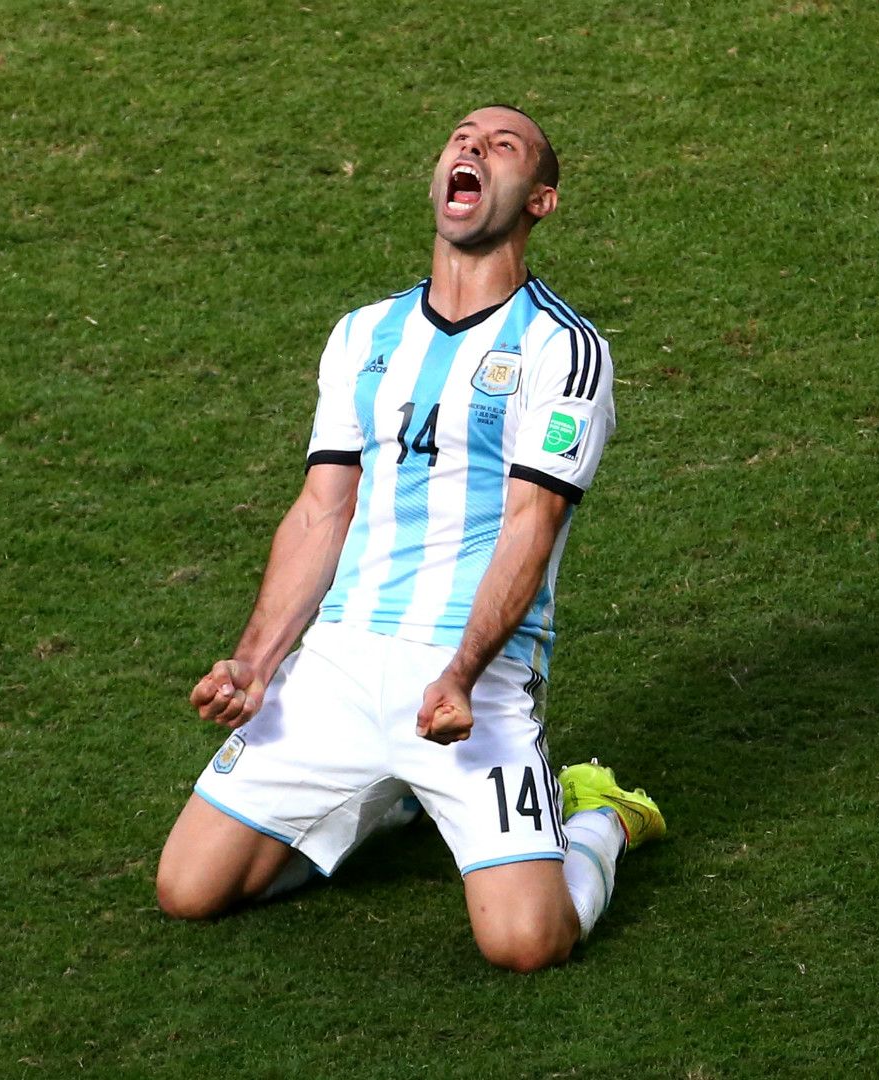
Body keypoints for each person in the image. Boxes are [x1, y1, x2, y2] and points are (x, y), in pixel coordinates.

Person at [154, 104, 665, 971]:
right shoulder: (364, 334)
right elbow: (322, 510)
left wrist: (461, 674)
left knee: (527, 944)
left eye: (503, 145)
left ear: (539, 201)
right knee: (189, 890)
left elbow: (530, 526)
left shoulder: (563, 349)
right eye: (462, 138)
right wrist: (255, 662)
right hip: (339, 666)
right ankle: (393, 798)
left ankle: (600, 817)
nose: (473, 147)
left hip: (474, 681)